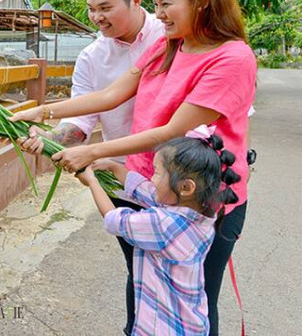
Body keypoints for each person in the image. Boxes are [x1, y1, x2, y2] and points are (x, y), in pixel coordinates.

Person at [12, 0, 256, 335]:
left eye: (166, 4)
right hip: (148, 186)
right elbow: (110, 95)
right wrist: (42, 111)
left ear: (202, 0)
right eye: (157, 6)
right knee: (144, 285)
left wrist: (92, 153)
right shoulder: (167, 45)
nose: (160, 15)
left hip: (199, 201)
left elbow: (170, 131)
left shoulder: (232, 58)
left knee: (194, 302)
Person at [78, 128, 240, 336]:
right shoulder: (197, 214)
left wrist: (92, 181)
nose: (152, 179)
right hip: (189, 324)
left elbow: (114, 220)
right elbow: (141, 188)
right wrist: (110, 165)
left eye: (157, 173)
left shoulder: (164, 224)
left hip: (164, 327)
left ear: (186, 187)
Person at [46, 0, 165, 150]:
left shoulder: (168, 35)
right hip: (118, 166)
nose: (96, 17)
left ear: (136, 0)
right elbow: (81, 118)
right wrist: (48, 138)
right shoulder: (90, 58)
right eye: (91, 9)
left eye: (105, 8)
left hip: (174, 167)